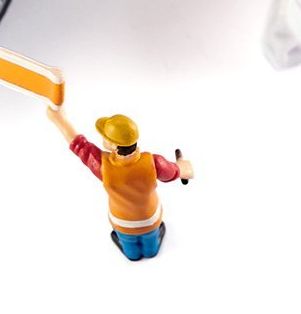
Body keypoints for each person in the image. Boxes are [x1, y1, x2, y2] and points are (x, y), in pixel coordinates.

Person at [47, 107, 194, 261]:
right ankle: (151, 251)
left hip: (122, 222)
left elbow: (80, 146)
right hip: (150, 218)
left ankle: (132, 254)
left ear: (113, 145)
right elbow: (174, 172)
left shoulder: (103, 166)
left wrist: (60, 120)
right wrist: (182, 167)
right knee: (151, 240)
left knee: (128, 243)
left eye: (105, 137)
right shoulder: (154, 162)